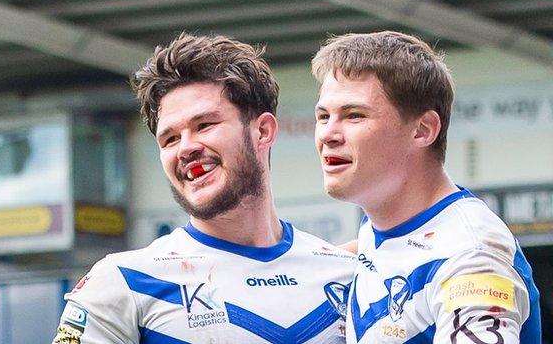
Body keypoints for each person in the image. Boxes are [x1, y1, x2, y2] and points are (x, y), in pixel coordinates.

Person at [52, 33, 356, 344]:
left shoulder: (350, 277)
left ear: (262, 131)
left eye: (204, 125)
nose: (185, 148)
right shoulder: (125, 282)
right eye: (170, 139)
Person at [312, 31, 541, 343]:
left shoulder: (472, 258)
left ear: (423, 130)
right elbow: (390, 249)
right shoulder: (388, 222)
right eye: (323, 116)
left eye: (354, 115)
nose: (328, 134)